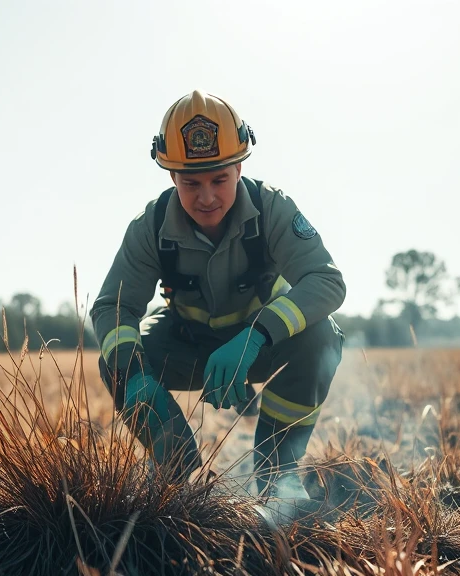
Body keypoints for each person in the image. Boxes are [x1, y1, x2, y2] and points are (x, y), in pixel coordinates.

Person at [90, 90, 345, 519]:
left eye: (219, 180)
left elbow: (327, 281)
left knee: (322, 337)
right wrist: (134, 377)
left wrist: (257, 335)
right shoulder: (149, 227)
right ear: (171, 176)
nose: (206, 197)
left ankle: (277, 473)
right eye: (191, 183)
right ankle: (170, 470)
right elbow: (111, 308)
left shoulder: (273, 209)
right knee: (116, 359)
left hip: (260, 345)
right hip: (187, 345)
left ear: (240, 167)